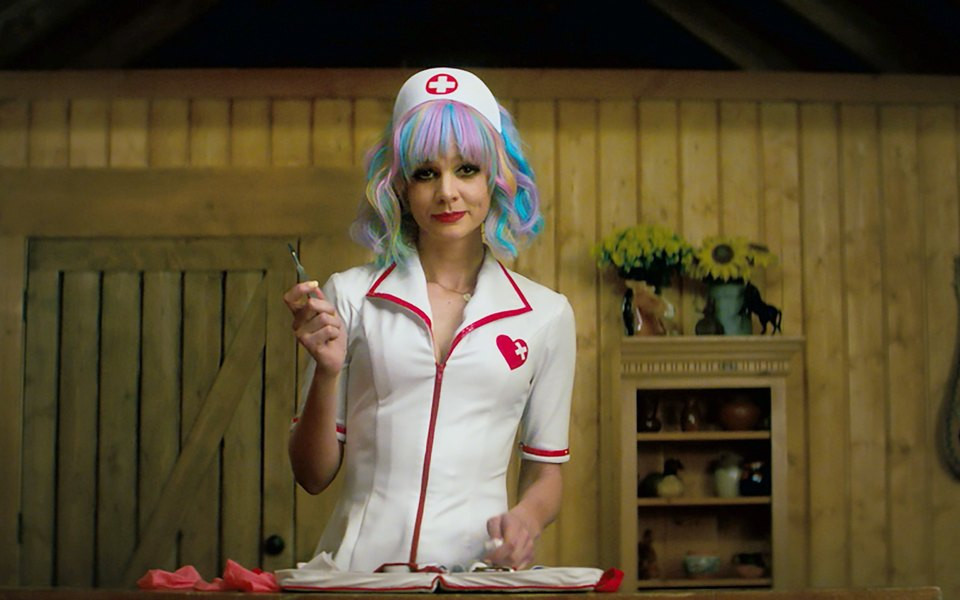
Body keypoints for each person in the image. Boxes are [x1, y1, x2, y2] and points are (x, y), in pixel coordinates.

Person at [283, 67, 576, 573]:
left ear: (496, 179)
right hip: (359, 578)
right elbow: (312, 475)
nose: (447, 192)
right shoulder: (349, 297)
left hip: (478, 577)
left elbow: (545, 470)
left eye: (467, 169)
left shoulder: (547, 316)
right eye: (425, 173)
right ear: (398, 186)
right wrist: (327, 372)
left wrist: (526, 520)